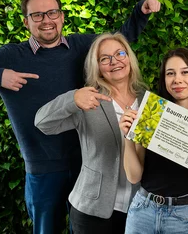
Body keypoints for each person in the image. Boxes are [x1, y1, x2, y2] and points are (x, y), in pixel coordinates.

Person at [0, 0, 160, 234]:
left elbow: (117, 42)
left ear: (62, 16)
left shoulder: (81, 45)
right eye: (37, 15)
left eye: (52, 12)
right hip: (44, 165)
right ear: (26, 21)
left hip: (86, 162)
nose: (46, 20)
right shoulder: (11, 55)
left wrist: (141, 12)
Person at [34, 32, 147, 233]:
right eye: (105, 58)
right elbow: (42, 123)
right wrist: (72, 98)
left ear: (129, 57)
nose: (115, 62)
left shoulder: (148, 100)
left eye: (120, 53)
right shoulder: (88, 99)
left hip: (138, 210)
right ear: (98, 68)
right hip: (92, 210)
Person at [119, 48, 188, 234]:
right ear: (164, 80)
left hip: (182, 216)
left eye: (185, 72)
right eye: (170, 73)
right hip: (143, 211)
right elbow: (134, 177)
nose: (177, 80)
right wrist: (128, 138)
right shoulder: (151, 114)